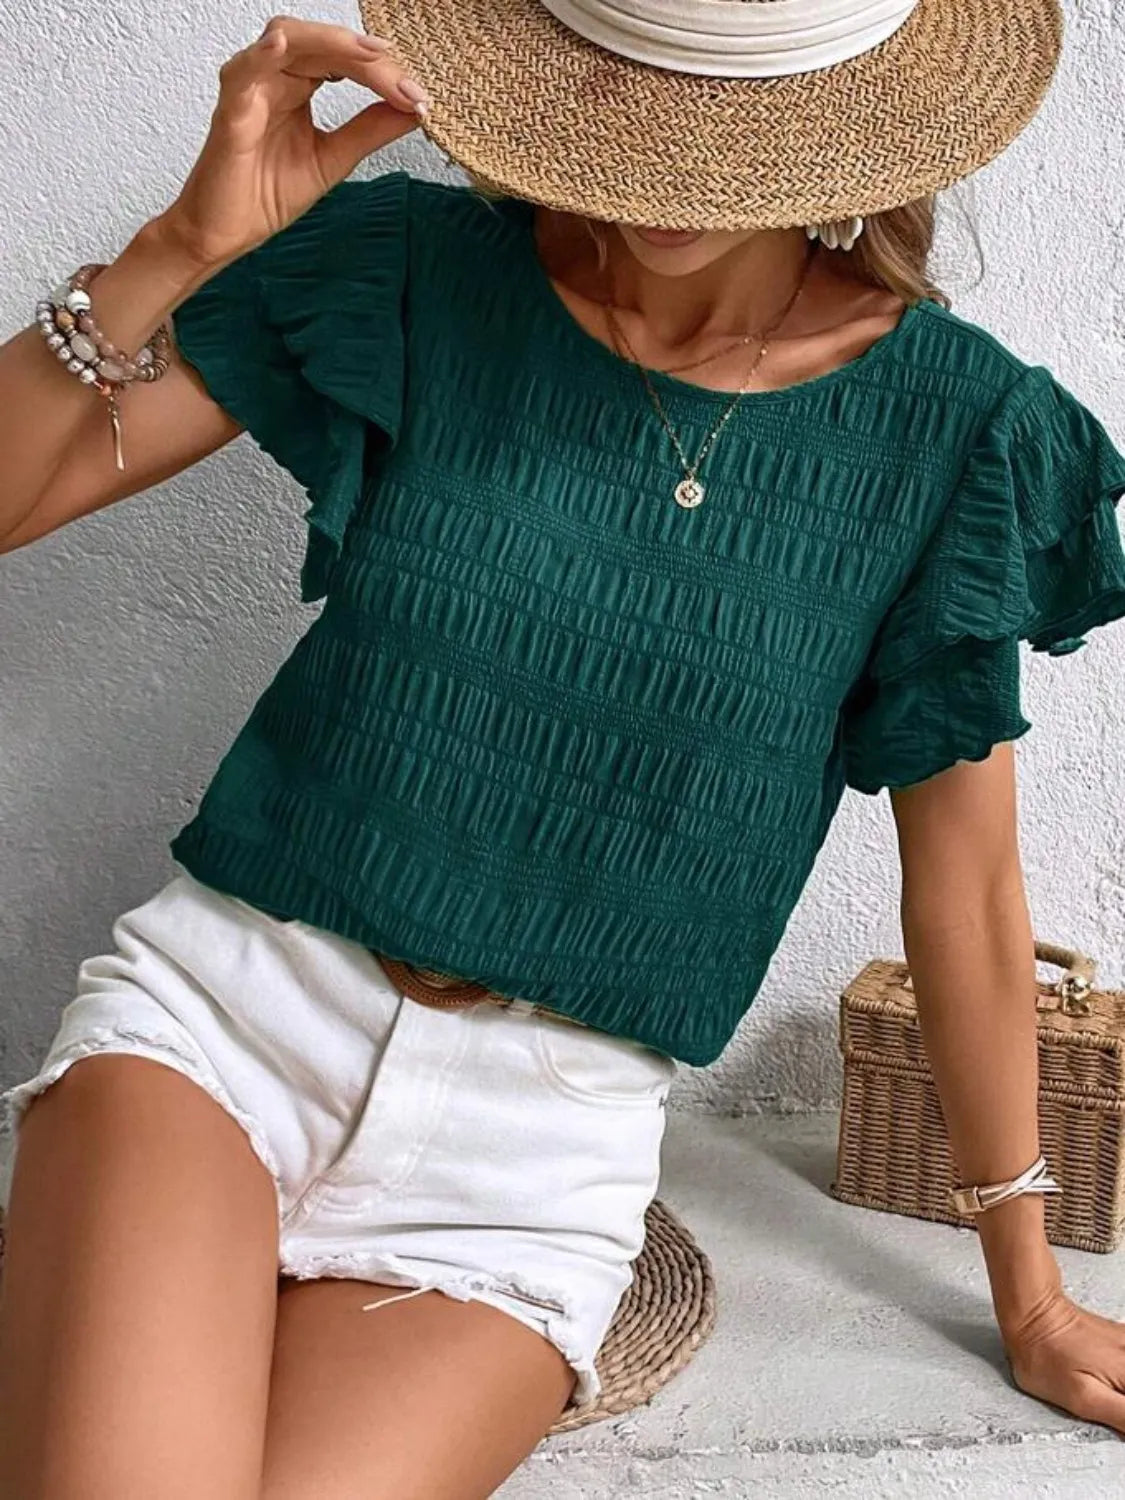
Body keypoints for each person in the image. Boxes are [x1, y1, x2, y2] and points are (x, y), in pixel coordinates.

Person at [1, 1, 1124, 1495]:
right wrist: (178, 248)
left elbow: (968, 895)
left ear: (841, 126)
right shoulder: (418, 269)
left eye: (724, 127)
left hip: (535, 1151)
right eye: (629, 101)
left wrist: (1030, 1296)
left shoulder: (963, 434)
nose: (665, 173)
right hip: (230, 1027)